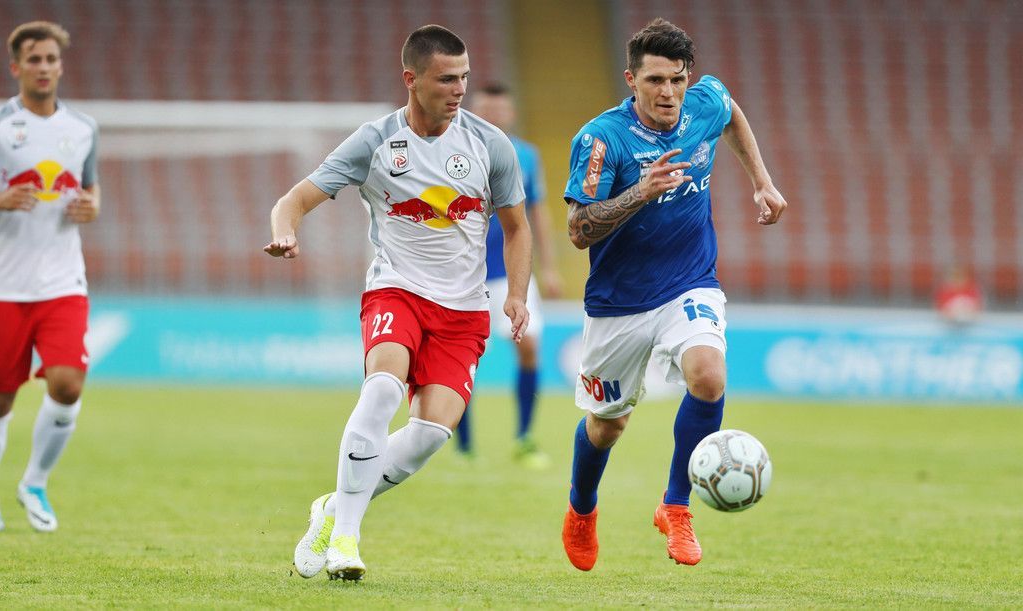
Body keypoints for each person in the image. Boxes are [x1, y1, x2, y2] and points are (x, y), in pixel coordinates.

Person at [265, 25, 531, 581]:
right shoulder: (374, 141)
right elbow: (295, 199)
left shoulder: (491, 146)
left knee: (429, 436)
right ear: (411, 79)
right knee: (383, 387)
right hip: (397, 290)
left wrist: (517, 294)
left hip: (463, 311)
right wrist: (285, 231)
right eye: (446, 79)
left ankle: (331, 508)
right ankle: (346, 538)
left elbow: (517, 227)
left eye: (464, 77)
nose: (459, 89)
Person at [559, 18, 788, 570]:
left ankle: (676, 505)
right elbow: (578, 230)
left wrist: (761, 180)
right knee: (607, 425)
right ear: (631, 80)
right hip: (619, 302)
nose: (669, 92)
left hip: (690, 281)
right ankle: (582, 508)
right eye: (655, 80)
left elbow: (729, 110)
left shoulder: (702, 105)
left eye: (677, 79)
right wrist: (641, 192)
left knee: (708, 376)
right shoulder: (601, 139)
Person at [0, 22, 100, 534]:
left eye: (50, 59)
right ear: (16, 66)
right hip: (5, 284)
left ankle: (34, 481)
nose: (43, 67)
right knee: (1, 400)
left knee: (67, 384)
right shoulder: (1, 126)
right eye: (34, 59)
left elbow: (91, 189)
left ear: (60, 66)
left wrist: (91, 206)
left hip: (62, 282)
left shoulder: (82, 128)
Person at [454, 82, 562, 469]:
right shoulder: (455, 151)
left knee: (529, 346)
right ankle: (464, 446)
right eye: (486, 110)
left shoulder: (526, 156)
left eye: (499, 110)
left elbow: (538, 213)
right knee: (462, 358)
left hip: (511, 271)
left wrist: (549, 267)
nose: (493, 116)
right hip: (464, 273)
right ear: (473, 113)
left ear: (510, 114)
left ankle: (524, 438)